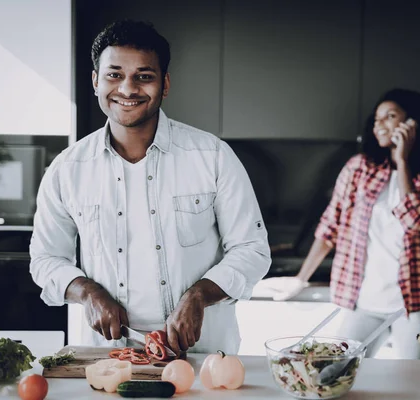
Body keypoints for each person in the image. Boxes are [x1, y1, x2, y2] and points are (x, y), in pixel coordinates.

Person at [29, 19, 271, 355]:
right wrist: (87, 292)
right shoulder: (67, 169)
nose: (128, 89)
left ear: (165, 83)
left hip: (203, 357)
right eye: (114, 75)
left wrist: (199, 295)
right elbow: (45, 259)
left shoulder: (213, 156)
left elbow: (252, 249)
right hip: (107, 357)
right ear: (96, 80)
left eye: (144, 76)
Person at [268, 88, 420, 359]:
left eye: (390, 116)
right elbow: (329, 226)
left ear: (412, 124)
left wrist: (402, 162)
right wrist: (301, 278)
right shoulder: (359, 167)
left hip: (416, 303)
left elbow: (417, 222)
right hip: (364, 302)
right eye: (377, 118)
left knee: (414, 382)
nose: (379, 124)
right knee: (338, 369)